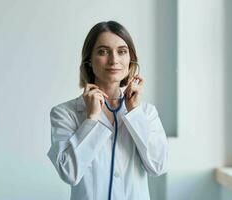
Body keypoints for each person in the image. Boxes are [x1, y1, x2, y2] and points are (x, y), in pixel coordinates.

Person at [47, 21, 168, 200]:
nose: (114, 60)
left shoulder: (146, 113)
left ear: (130, 59)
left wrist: (134, 113)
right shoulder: (65, 113)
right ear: (89, 60)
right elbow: (69, 173)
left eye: (122, 51)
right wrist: (91, 119)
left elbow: (158, 167)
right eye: (103, 51)